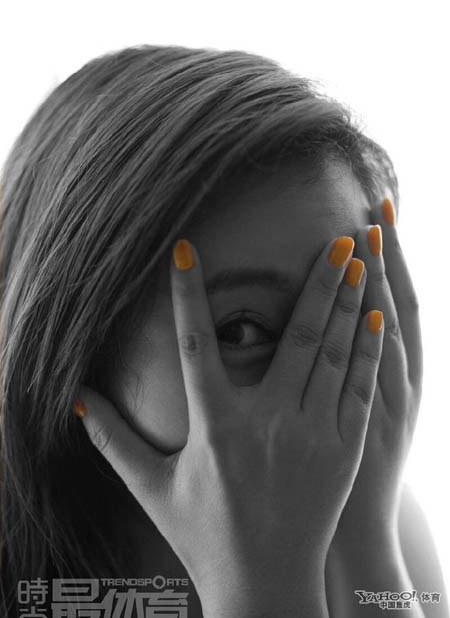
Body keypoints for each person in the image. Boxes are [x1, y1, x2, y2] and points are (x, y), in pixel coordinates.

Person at [0, 44, 447, 618]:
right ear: (76, 341)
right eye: (241, 331)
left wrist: (364, 540)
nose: (328, 388)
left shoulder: (380, 515)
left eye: (353, 315)